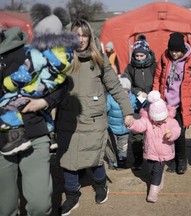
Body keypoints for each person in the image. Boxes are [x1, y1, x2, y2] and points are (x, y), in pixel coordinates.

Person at [0, 3, 73, 216]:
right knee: (5, 208)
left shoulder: (23, 50)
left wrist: (45, 102)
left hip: (34, 131)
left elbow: (62, 83)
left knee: (40, 205)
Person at [55, 18, 134, 216]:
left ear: (90, 37)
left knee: (96, 157)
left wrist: (128, 111)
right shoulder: (61, 57)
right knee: (69, 160)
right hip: (68, 118)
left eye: (84, 35)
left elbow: (114, 85)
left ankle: (100, 185)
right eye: (76, 35)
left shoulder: (98, 57)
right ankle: (72, 195)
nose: (80, 39)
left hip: (94, 117)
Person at [0, 5, 78, 156]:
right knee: (43, 108)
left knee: (6, 104)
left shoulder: (38, 52)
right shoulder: (66, 51)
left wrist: (8, 83)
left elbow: (27, 73)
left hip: (33, 87)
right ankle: (49, 131)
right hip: (48, 87)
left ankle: (17, 134)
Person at [153, 32, 191, 174]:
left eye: (177, 51)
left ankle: (181, 161)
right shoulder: (164, 58)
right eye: (172, 51)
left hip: (183, 104)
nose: (174, 54)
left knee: (179, 133)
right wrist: (156, 97)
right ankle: (172, 160)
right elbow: (157, 78)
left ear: (183, 50)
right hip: (166, 103)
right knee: (167, 133)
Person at [126, 90, 181, 203]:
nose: (159, 122)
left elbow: (177, 130)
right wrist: (132, 123)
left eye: (161, 119)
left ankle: (153, 191)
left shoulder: (171, 121)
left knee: (156, 171)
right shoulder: (147, 120)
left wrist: (171, 135)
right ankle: (159, 180)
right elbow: (140, 125)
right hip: (151, 151)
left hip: (163, 152)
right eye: (157, 120)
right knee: (151, 170)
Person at [122, 34, 157, 170]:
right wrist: (137, 92)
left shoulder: (154, 66)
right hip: (136, 105)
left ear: (147, 53)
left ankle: (153, 157)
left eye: (142, 55)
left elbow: (159, 81)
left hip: (152, 104)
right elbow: (126, 83)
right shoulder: (130, 68)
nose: (139, 58)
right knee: (136, 133)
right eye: (137, 56)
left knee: (152, 131)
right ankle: (138, 159)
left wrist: (152, 95)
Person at [107, 77, 139, 169]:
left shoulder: (132, 98)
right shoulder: (110, 98)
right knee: (112, 147)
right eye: (122, 90)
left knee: (123, 147)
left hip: (125, 129)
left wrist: (143, 99)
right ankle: (112, 162)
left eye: (127, 90)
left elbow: (139, 105)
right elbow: (105, 109)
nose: (125, 92)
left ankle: (121, 163)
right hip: (112, 129)